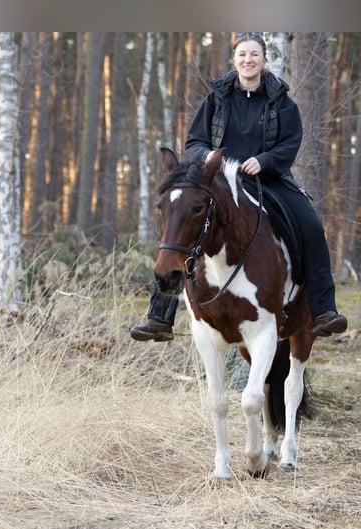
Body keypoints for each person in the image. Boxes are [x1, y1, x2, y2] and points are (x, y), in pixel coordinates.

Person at [131, 33, 347, 342]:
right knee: (179, 224)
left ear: (264, 60)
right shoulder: (216, 98)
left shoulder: (282, 101)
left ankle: (324, 310)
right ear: (234, 59)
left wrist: (265, 160)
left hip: (269, 180)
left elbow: (290, 144)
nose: (248, 60)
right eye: (242, 54)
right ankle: (160, 316)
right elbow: (194, 142)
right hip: (219, 181)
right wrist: (207, 158)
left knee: (312, 227)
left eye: (254, 54)